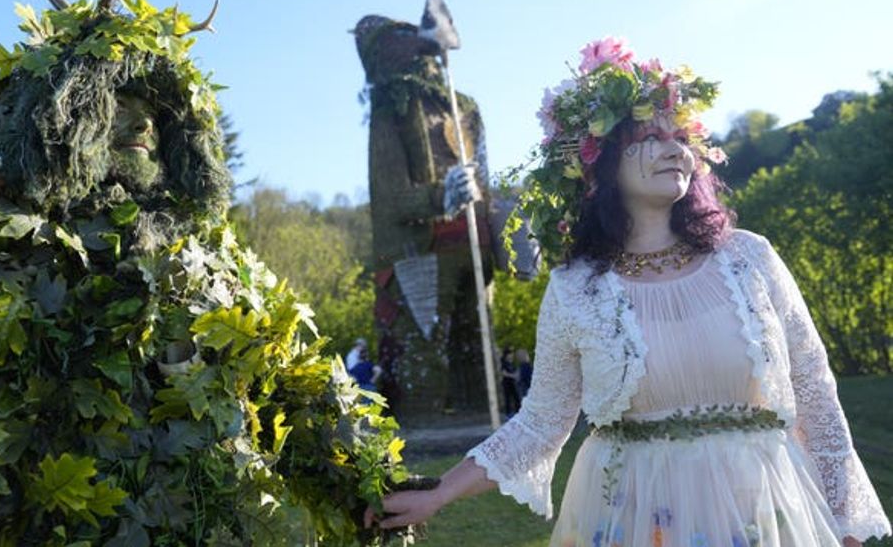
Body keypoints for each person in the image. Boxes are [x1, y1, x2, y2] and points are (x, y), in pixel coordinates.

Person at [364, 38, 891, 546]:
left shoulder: (749, 257)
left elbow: (817, 397)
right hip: (634, 518)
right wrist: (437, 494)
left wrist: (842, 520)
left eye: (681, 138)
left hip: (760, 514)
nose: (674, 151)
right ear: (601, 161)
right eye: (651, 138)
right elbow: (541, 423)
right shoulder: (576, 289)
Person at [500, 346, 521, 418]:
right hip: (507, 383)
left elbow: (515, 370)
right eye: (510, 354)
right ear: (506, 355)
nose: (512, 355)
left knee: (516, 397)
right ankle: (508, 413)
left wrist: (517, 374)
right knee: (508, 398)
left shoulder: (512, 362)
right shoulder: (504, 362)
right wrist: (513, 376)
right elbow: (504, 373)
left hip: (512, 383)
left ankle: (518, 411)